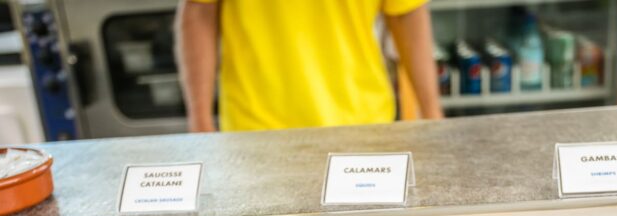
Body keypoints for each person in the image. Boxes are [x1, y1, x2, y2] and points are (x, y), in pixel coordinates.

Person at [176, 0, 443, 132]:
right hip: (256, 131)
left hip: (362, 127)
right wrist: (200, 121)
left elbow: (406, 13)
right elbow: (199, 11)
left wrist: (431, 113)